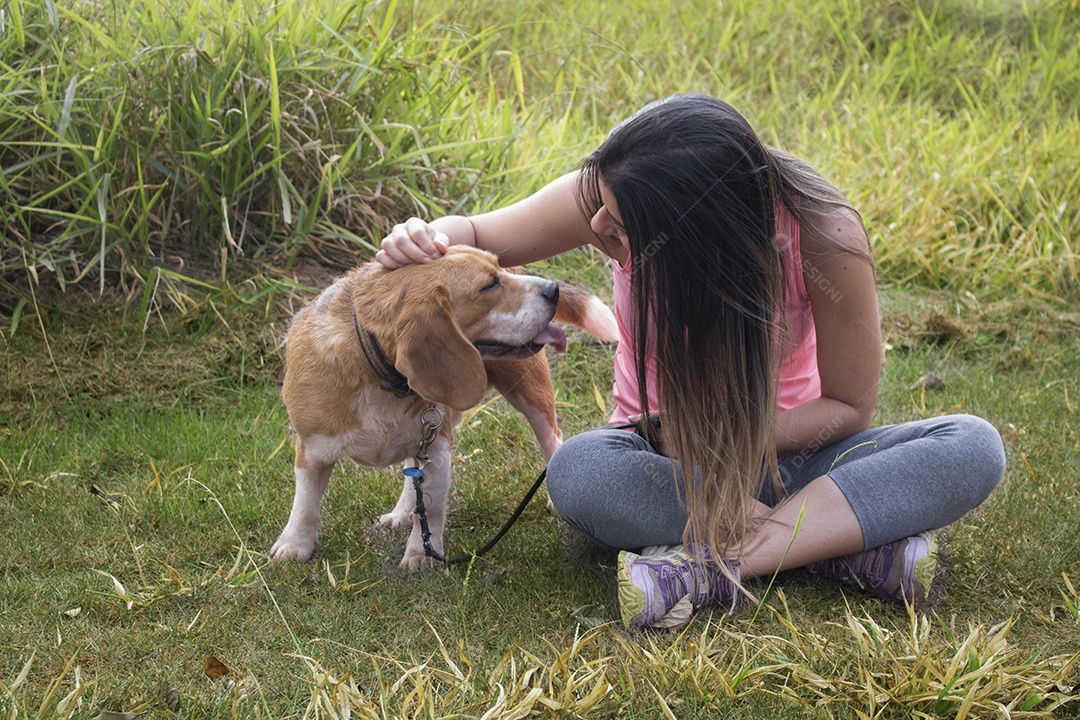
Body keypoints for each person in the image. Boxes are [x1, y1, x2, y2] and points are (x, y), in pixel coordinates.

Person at [377, 94, 1006, 629]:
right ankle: (835, 544)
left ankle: (710, 569)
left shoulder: (823, 233)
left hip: (792, 460)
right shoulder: (620, 190)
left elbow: (846, 407)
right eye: (595, 202)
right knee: (579, 472)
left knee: (973, 446)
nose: (595, 225)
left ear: (702, 236)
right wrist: (425, 237)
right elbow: (480, 237)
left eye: (617, 225)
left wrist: (722, 442)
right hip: (661, 466)